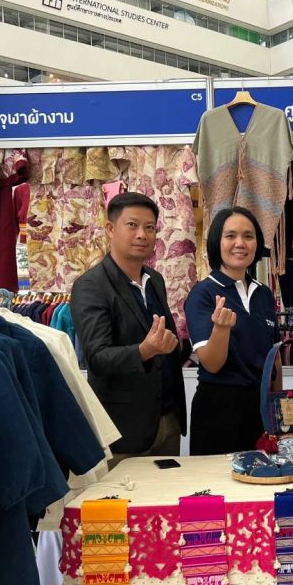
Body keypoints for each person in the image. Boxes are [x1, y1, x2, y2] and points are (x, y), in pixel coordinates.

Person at [71, 192, 186, 465]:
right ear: (111, 229)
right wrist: (144, 350)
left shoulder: (155, 279)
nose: (142, 235)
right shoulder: (91, 286)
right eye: (132, 225)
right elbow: (97, 358)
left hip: (167, 420)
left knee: (169, 492)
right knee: (123, 493)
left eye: (150, 227)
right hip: (123, 429)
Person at [184, 207, 277, 455]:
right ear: (217, 242)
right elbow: (212, 364)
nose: (240, 243)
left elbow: (273, 359)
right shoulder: (203, 293)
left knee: (264, 476)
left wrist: (277, 407)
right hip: (219, 410)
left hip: (261, 409)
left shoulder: (264, 294)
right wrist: (221, 329)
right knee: (218, 478)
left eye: (248, 236)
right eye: (230, 236)